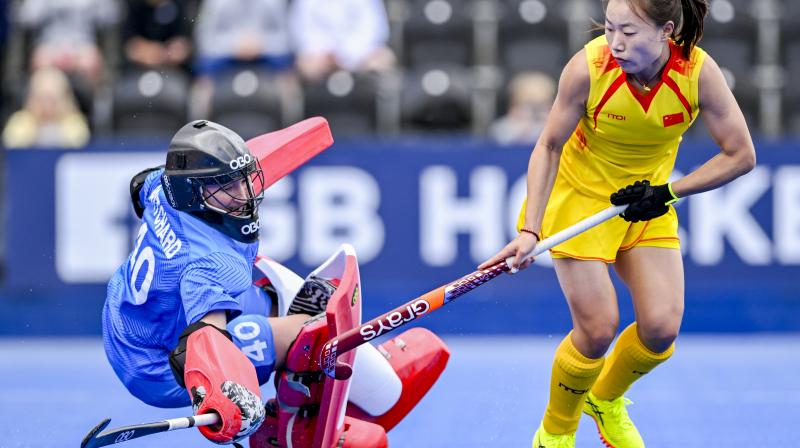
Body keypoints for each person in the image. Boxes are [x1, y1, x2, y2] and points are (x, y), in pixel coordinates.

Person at [479, 1, 756, 447]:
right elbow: (548, 146)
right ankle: (555, 432)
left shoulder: (698, 73)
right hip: (580, 203)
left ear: (666, 30)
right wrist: (530, 230)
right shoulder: (588, 68)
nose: (615, 43)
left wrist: (667, 193)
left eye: (628, 32)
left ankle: (603, 400)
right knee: (597, 329)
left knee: (661, 329)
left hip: (645, 202)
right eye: (609, 29)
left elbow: (741, 155)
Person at [102, 120, 448, 446]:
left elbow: (138, 186)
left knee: (278, 298)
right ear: (194, 193)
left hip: (128, 317)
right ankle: (292, 433)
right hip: (157, 367)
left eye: (242, 179)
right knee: (309, 332)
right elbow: (203, 338)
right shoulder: (210, 264)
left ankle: (314, 372)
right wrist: (226, 394)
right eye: (227, 186)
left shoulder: (163, 188)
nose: (243, 194)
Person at [288, 0, 396, 82]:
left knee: (383, 59)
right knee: (304, 65)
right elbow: (302, 31)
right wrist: (327, 54)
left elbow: (375, 30)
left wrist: (347, 55)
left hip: (361, 53)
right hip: (320, 56)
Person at [2, 67, 90, 148]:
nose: (47, 105)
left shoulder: (74, 121)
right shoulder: (21, 119)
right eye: (42, 99)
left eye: (52, 99)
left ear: (63, 99)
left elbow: (79, 143)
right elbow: (12, 144)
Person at [489, 71, 557, 146]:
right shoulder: (502, 127)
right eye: (528, 105)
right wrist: (523, 129)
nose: (535, 113)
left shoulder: (555, 127)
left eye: (542, 106)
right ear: (514, 106)